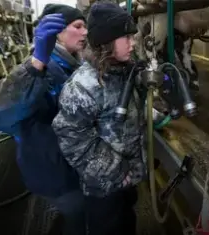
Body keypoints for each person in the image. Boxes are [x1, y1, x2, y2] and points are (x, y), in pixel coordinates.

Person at [0, 4, 88, 235]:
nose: (85, 33)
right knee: (78, 218)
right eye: (78, 26)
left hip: (69, 167)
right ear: (57, 32)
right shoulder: (42, 68)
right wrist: (36, 65)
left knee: (78, 216)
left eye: (86, 27)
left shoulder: (72, 65)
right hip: (54, 171)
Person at [52, 2, 145, 235]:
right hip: (103, 187)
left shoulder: (123, 71)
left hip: (127, 177)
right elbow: (73, 141)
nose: (133, 43)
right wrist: (117, 172)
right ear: (106, 40)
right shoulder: (83, 86)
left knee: (127, 223)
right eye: (127, 37)